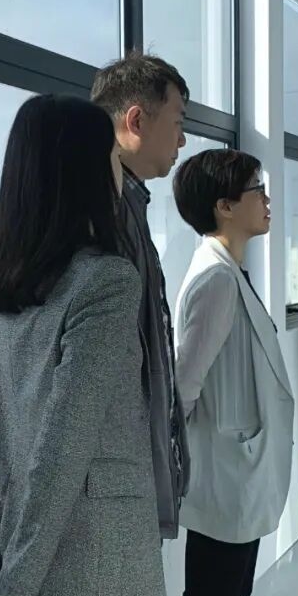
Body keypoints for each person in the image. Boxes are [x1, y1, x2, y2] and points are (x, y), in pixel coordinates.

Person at [0, 96, 164, 596]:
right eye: (112, 155)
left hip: (5, 567)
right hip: (96, 579)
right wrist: (11, 595)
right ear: (86, 170)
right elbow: (64, 446)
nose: (119, 169)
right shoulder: (106, 281)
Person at [169, 149, 295, 596]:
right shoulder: (217, 279)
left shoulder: (229, 271)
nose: (267, 200)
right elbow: (184, 383)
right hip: (224, 472)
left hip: (234, 467)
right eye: (256, 190)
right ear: (224, 205)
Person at [91, 51, 191, 542]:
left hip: (127, 477)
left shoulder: (130, 205)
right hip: (111, 489)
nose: (182, 140)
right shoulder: (103, 217)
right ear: (135, 121)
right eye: (177, 122)